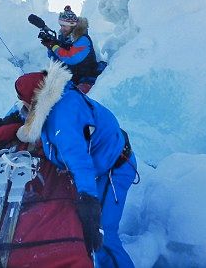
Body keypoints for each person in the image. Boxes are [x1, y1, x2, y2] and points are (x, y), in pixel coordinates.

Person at [13, 60, 137, 268]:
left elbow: (80, 162)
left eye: (23, 102)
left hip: (115, 168)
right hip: (102, 156)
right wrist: (8, 121)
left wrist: (89, 201)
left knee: (103, 233)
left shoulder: (63, 122)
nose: (21, 105)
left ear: (34, 103)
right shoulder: (51, 96)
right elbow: (27, 111)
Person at [41, 5, 105, 93]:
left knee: (75, 96)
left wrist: (54, 46)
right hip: (72, 79)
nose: (62, 29)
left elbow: (71, 58)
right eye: (61, 25)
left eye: (64, 26)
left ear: (72, 25)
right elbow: (57, 61)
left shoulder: (83, 39)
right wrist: (50, 47)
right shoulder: (64, 39)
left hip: (88, 78)